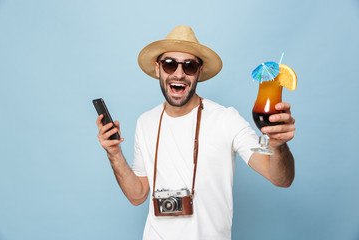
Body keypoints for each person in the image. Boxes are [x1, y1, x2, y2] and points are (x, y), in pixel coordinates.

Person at [96, 25, 295, 240]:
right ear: (158, 69)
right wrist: (114, 153)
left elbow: (280, 179)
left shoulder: (226, 119)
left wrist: (278, 145)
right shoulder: (146, 121)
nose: (179, 74)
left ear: (199, 71)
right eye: (169, 64)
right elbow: (137, 196)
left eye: (189, 66)